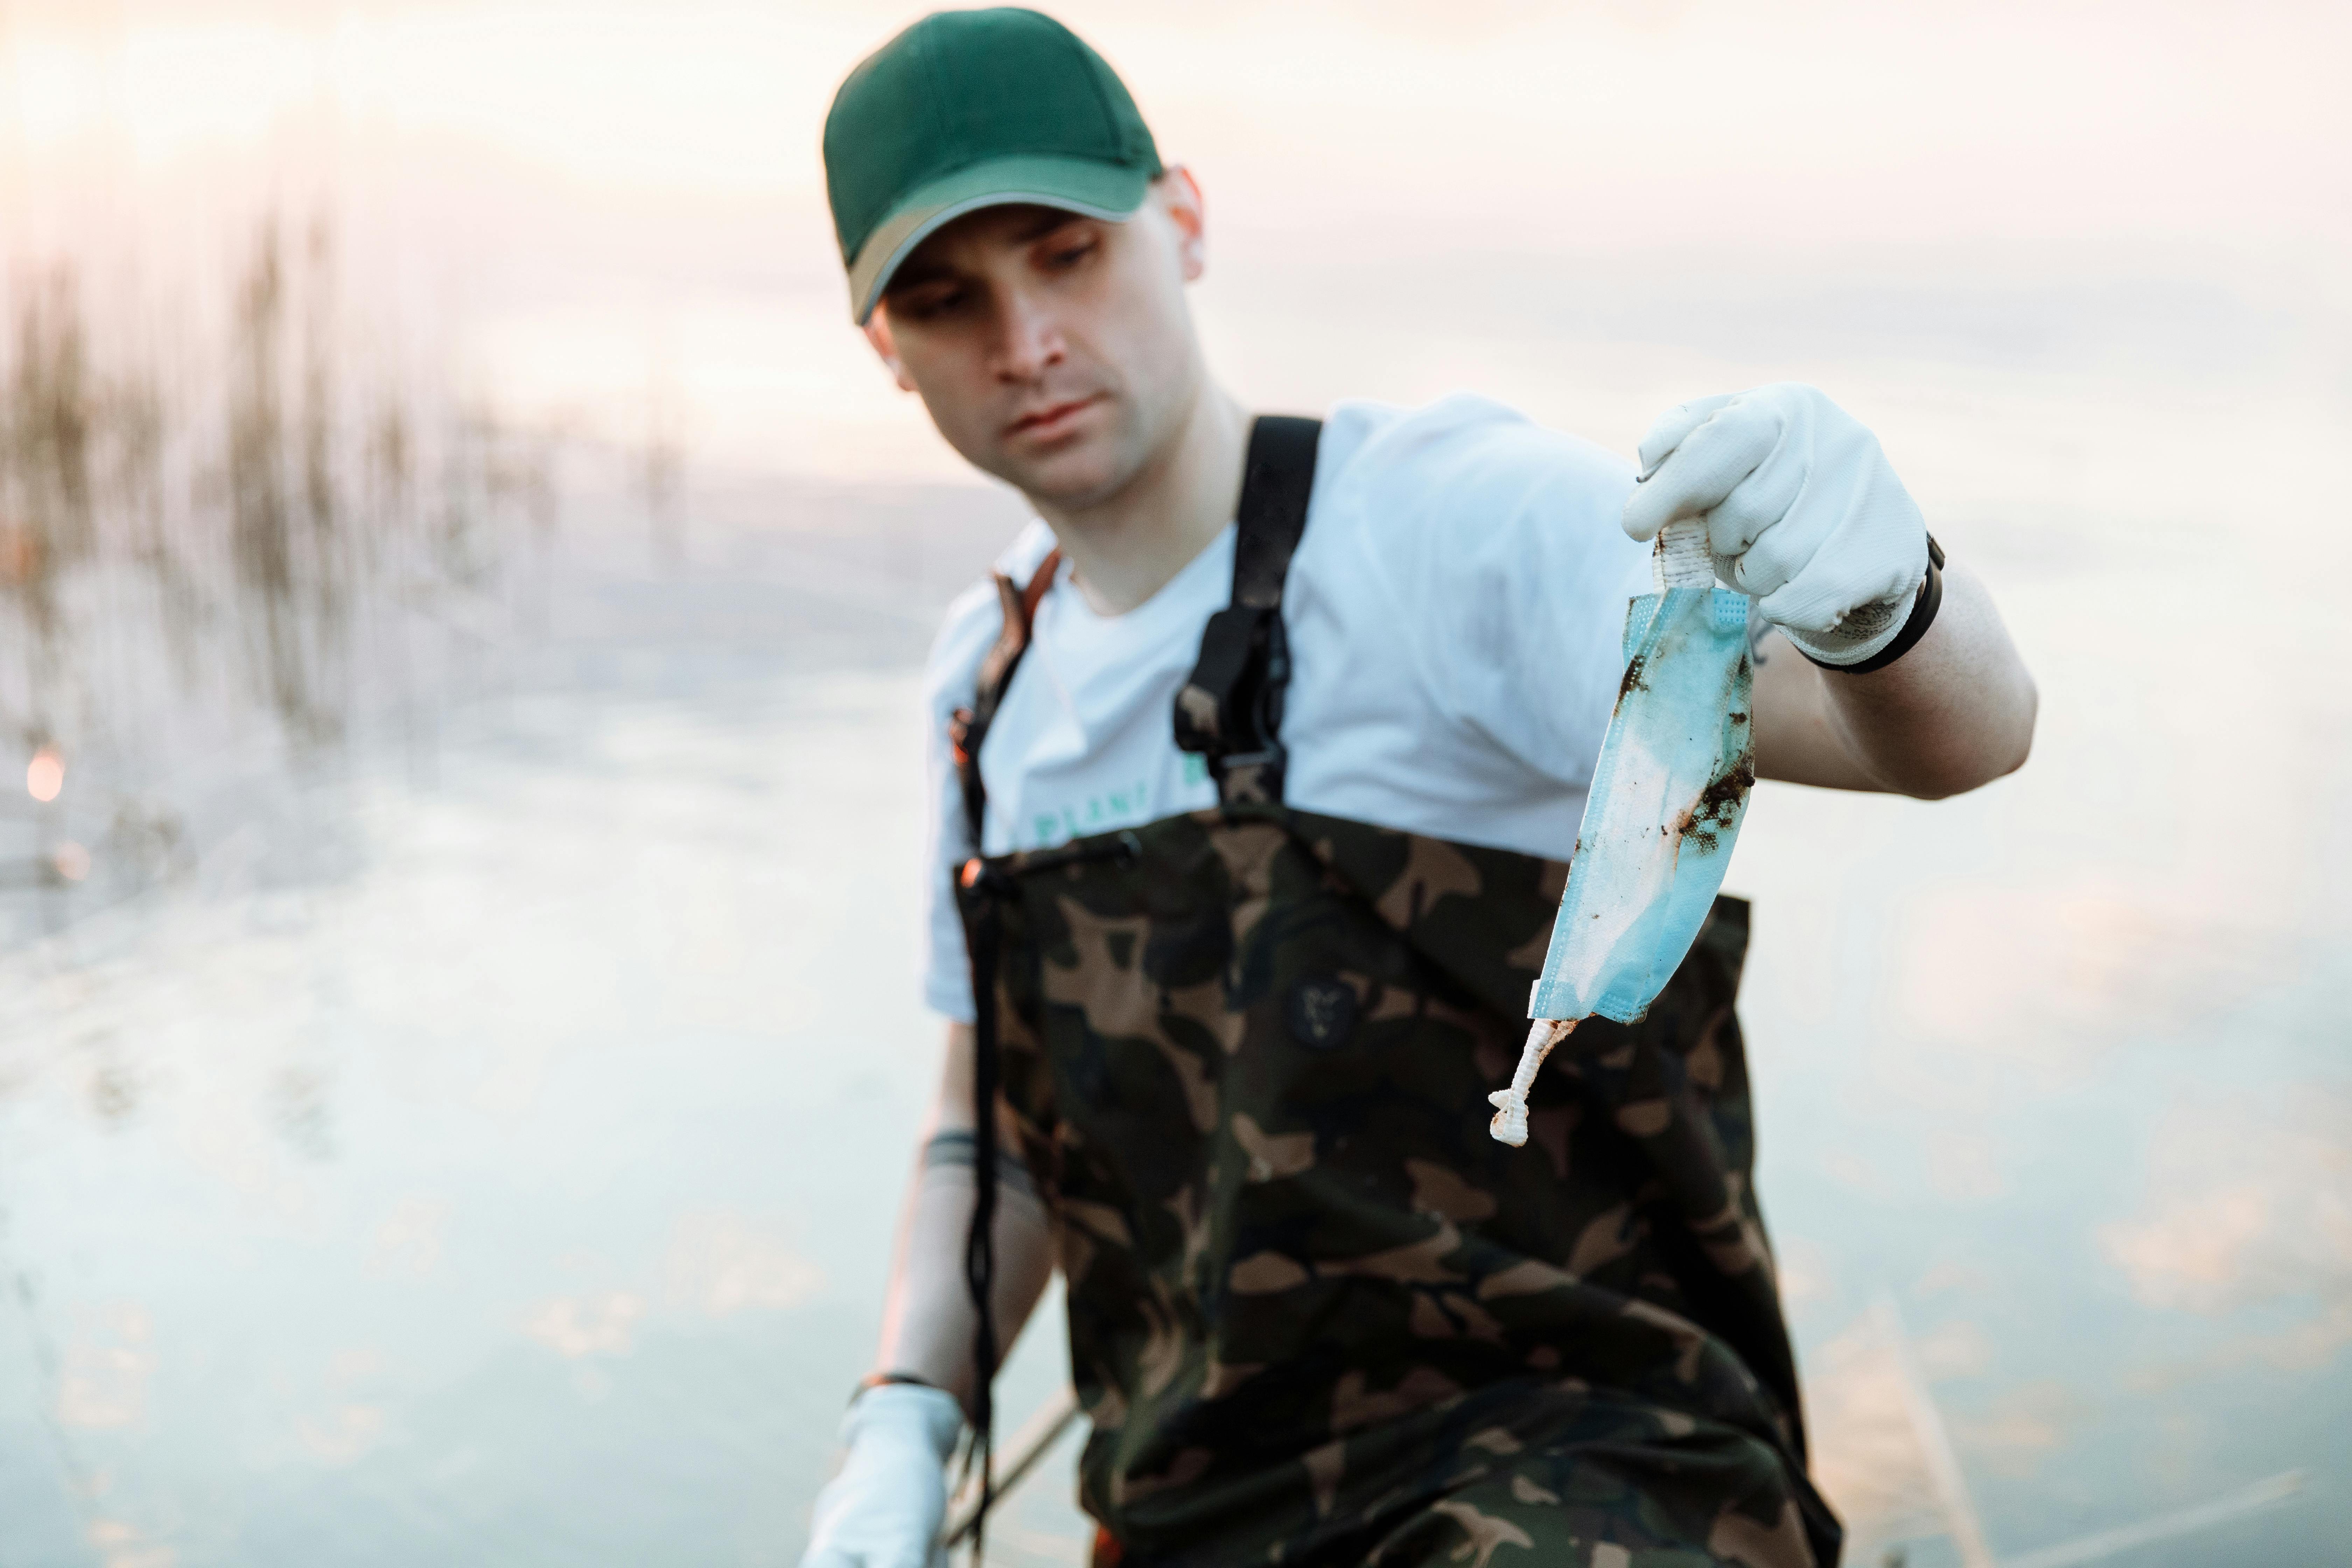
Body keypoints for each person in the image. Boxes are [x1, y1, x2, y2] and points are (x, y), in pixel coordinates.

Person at [801, 10, 2037, 1568]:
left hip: (1592, 1466)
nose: (1024, 341)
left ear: (1181, 222)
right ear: (882, 351)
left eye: (1064, 253)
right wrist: (902, 1420)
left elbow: (1951, 745)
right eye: (943, 300)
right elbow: (988, 1132)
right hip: (1195, 1508)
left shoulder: (1438, 527)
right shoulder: (983, 691)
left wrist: (1892, 604)